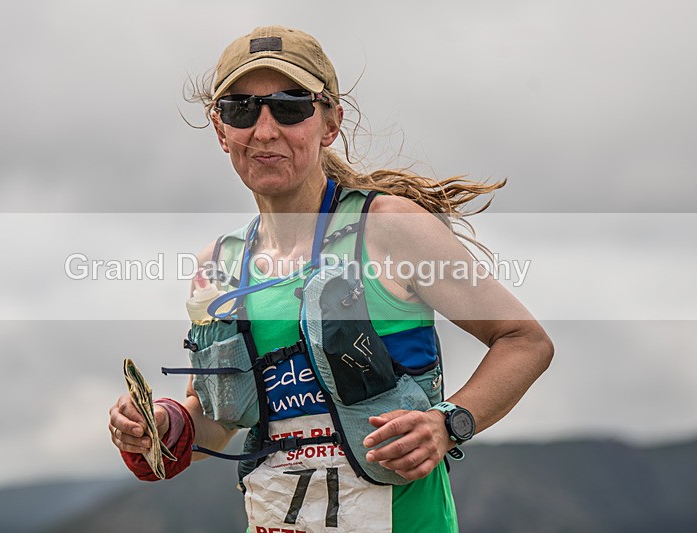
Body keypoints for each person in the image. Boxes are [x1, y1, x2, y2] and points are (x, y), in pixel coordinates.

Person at [108, 25, 553, 532]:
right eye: (242, 109)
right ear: (220, 128)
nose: (265, 129)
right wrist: (159, 426)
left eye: (291, 105)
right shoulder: (219, 264)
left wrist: (448, 422)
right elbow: (219, 419)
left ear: (331, 121)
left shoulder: (388, 228)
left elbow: (524, 341)